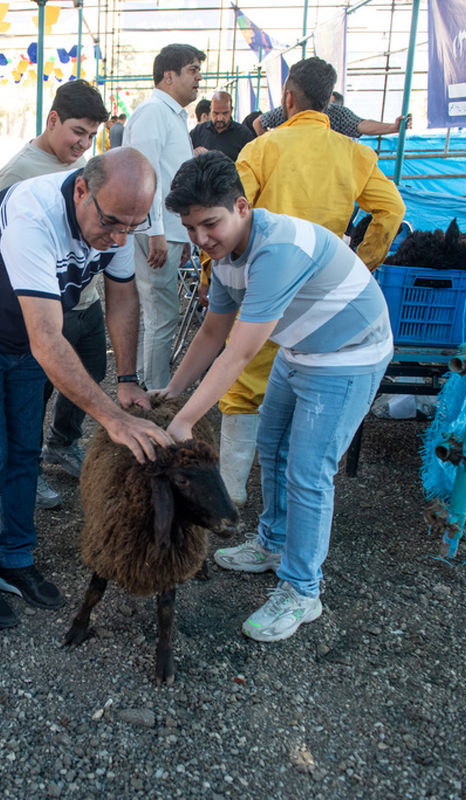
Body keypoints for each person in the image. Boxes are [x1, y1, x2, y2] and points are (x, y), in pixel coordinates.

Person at [0, 148, 173, 629]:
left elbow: (122, 299)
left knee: (24, 454)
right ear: (81, 189)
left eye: (132, 226)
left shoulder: (118, 215)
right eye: (113, 224)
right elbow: (48, 340)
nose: (120, 237)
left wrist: (125, 380)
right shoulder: (32, 216)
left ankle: (15, 559)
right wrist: (113, 418)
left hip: (22, 343)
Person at [155, 151, 393, 642]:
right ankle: (272, 544)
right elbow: (212, 332)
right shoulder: (222, 257)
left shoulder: (276, 251)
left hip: (348, 355)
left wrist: (183, 425)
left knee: (309, 472)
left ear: (241, 207)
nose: (201, 238)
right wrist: (173, 392)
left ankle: (302, 591)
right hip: (299, 348)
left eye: (210, 224)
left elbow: (238, 354)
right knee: (273, 451)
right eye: (190, 227)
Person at [210, 56, 405, 508]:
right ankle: (282, 503)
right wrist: (362, 263)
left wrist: (212, 277)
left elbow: (225, 213)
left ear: (288, 99)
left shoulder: (262, 148)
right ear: (331, 102)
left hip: (261, 284)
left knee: (243, 381)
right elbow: (392, 210)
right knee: (306, 388)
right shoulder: (356, 153)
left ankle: (231, 493)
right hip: (324, 294)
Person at [0, 80, 110, 511]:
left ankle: (63, 443)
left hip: (86, 299)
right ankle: (28, 466)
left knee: (91, 373)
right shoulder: (19, 172)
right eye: (77, 131)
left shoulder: (88, 168)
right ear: (53, 119)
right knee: (34, 394)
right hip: (44, 307)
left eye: (92, 136)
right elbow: (2, 248)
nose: (83, 143)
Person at [122, 43, 204, 390]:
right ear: (168, 75)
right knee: (161, 315)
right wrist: (155, 230)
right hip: (154, 231)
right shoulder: (154, 112)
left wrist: (182, 235)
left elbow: (171, 176)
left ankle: (147, 385)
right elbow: (146, 175)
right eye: (192, 70)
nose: (199, 78)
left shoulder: (170, 114)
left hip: (168, 231)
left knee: (157, 314)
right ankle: (156, 393)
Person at [254, 91, 410, 137]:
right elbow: (258, 122)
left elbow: (361, 124)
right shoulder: (289, 110)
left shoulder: (337, 113)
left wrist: (392, 127)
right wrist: (269, 142)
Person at [189, 90, 255, 160]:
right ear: (211, 110)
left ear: (231, 110)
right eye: (216, 113)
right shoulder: (198, 131)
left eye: (225, 113)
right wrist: (193, 153)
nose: (220, 118)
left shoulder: (243, 134)